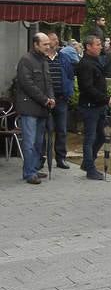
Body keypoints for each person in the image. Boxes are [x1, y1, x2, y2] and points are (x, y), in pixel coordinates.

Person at [76, 35, 111, 180]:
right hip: (90, 106)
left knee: (101, 136)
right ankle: (90, 169)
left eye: (100, 44)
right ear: (88, 46)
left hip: (99, 106)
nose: (100, 47)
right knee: (90, 138)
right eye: (97, 44)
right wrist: (106, 99)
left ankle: (88, 162)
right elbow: (87, 88)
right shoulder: (85, 64)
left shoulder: (96, 61)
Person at [16, 33, 55, 184]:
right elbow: (28, 85)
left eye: (48, 44)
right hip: (30, 108)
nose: (48, 46)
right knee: (30, 142)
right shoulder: (26, 60)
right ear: (36, 45)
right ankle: (29, 173)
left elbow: (49, 82)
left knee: (38, 143)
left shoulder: (44, 61)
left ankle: (34, 169)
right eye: (44, 44)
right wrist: (46, 100)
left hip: (42, 108)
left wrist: (52, 98)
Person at [46, 33, 77, 170]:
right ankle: (42, 158)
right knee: (45, 130)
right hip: (45, 100)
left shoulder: (63, 57)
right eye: (53, 39)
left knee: (62, 130)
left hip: (61, 98)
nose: (56, 41)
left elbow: (70, 75)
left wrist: (68, 92)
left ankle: (61, 158)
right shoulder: (42, 58)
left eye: (57, 39)